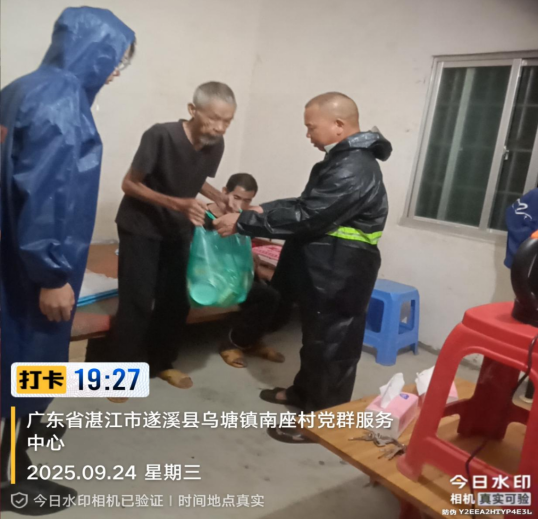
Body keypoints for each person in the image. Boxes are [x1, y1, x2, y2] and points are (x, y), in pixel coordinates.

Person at [0, 7, 135, 513]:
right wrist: (52, 274)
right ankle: (10, 479)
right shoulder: (63, 103)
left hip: (9, 254)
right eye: (117, 58)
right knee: (28, 364)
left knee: (11, 361)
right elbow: (48, 196)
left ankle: (24, 432)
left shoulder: (19, 89)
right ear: (94, 50)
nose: (117, 71)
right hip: (32, 267)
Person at [215, 92, 392, 443]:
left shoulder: (354, 166)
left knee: (333, 346)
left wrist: (245, 222)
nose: (308, 134)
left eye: (311, 127)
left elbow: (310, 215)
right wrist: (263, 210)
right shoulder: (342, 160)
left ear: (338, 125)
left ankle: (322, 422)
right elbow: (306, 203)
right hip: (328, 264)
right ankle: (303, 394)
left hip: (342, 268)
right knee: (316, 339)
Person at [86, 82, 239, 399]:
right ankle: (119, 375)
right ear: (192, 110)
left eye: (227, 121)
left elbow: (197, 179)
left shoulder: (216, 143)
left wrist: (219, 197)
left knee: (176, 300)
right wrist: (177, 203)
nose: (220, 127)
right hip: (140, 226)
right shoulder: (161, 135)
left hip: (177, 228)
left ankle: (160, 363)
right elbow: (130, 184)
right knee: (138, 301)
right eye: (214, 118)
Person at [206, 173, 285, 368]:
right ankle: (231, 344)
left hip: (237, 273)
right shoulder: (204, 216)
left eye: (247, 201)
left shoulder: (242, 218)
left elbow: (242, 246)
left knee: (276, 291)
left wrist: (252, 257)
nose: (240, 205)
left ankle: (251, 340)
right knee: (266, 296)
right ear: (224, 192)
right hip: (211, 276)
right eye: (236, 197)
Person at [505, 190, 538, 404]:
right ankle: (528, 392)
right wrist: (528, 241)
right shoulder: (535, 197)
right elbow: (514, 214)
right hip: (531, 273)